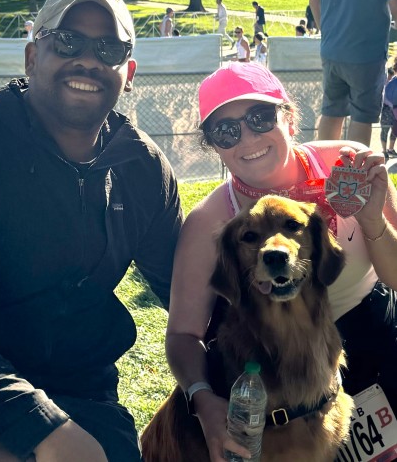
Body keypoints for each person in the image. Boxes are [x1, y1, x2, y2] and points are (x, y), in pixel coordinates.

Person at [0, 0, 182, 462]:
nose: (88, 60)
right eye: (67, 41)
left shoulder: (143, 169)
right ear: (32, 56)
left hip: (83, 393)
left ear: (128, 72)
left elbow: (191, 295)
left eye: (108, 48)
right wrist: (43, 429)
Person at [165, 61, 397, 461]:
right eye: (226, 131)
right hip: (275, 365)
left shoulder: (349, 165)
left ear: (288, 116)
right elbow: (183, 335)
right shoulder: (209, 221)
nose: (247, 137)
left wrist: (372, 219)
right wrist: (204, 403)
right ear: (214, 146)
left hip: (370, 335)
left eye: (260, 116)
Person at [309, 0, 397, 146]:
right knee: (362, 117)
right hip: (366, 54)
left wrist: (327, 34)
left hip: (331, 50)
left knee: (331, 112)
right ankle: (354, 173)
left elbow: (314, 1)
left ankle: (322, 168)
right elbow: (395, 4)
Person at [380, 65, 397, 160]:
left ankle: (391, 149)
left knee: (394, 130)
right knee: (385, 130)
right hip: (387, 109)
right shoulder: (387, 82)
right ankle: (384, 150)